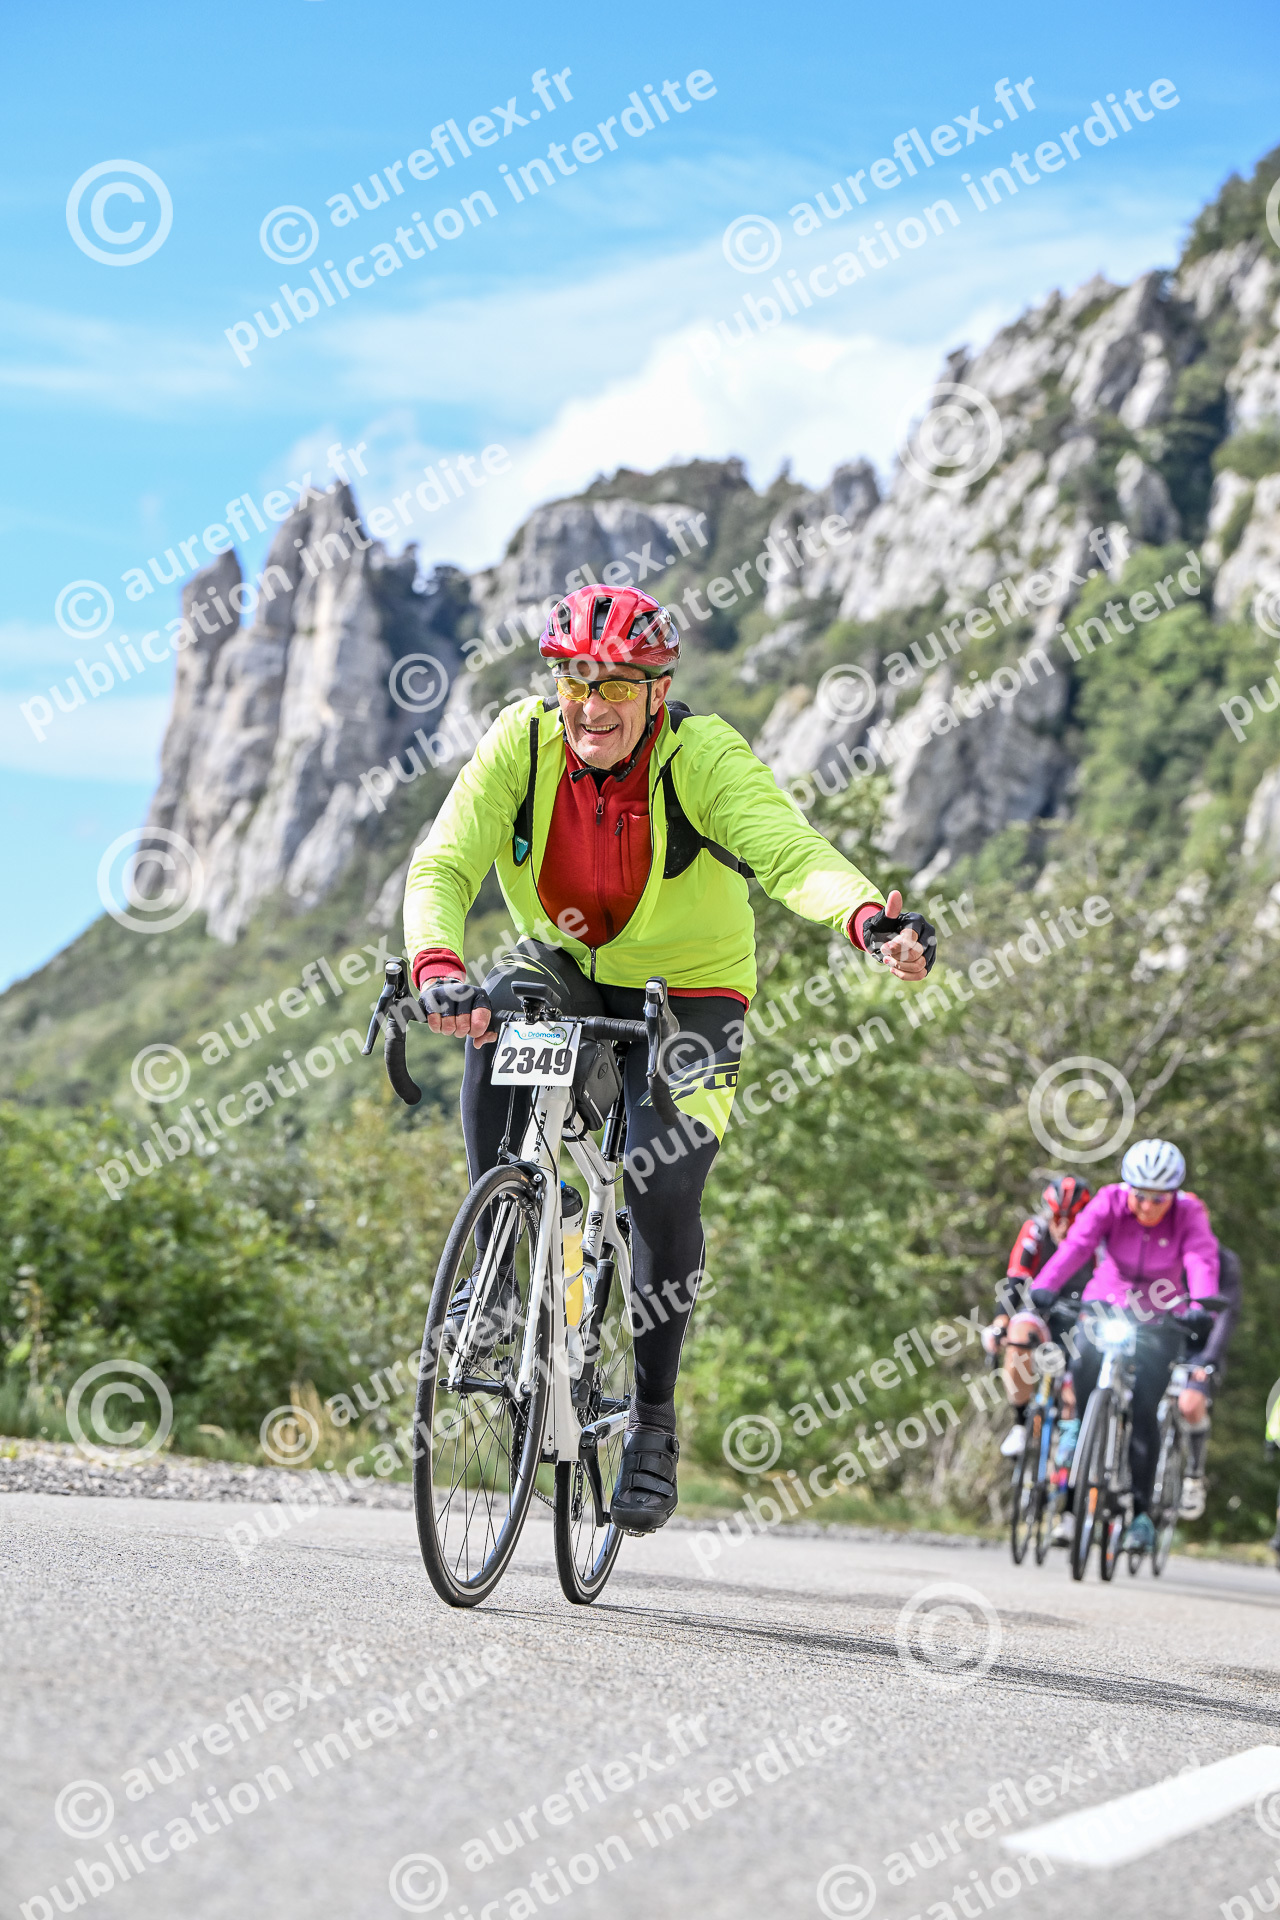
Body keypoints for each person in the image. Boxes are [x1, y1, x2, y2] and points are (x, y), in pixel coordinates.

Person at [403, 584, 936, 1534]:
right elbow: (444, 862)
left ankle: (651, 1421)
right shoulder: (520, 743)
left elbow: (788, 853)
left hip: (689, 992)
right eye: (574, 680)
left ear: (656, 690)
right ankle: (502, 1263)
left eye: (615, 684)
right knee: (496, 1016)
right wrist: (437, 965)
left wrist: (867, 919)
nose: (590, 704)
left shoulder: (701, 757)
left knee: (660, 1179)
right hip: (566, 964)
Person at [1031, 1137, 1221, 1557]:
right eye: (1141, 1195)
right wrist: (1045, 1285)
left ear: (1174, 1194)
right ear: (1128, 1188)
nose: (1148, 1206)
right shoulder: (1109, 1201)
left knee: (1145, 1409)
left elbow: (1201, 1259)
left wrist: (1201, 1304)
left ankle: (1140, 1515)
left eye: (1159, 1198)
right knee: (1083, 1354)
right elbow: (1078, 1245)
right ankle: (1081, 1423)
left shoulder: (1188, 1213)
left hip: (1161, 1312)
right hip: (1108, 1299)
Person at [983, 1175, 1092, 1460]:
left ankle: (1070, 1439)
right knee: (1018, 1337)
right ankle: (1020, 1423)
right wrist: (1000, 1322)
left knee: (1079, 1373)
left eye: (1072, 1220)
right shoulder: (1036, 1229)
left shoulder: (1098, 1237)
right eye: (1057, 1218)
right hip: (1041, 1309)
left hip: (1082, 1313)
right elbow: (1016, 1278)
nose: (1063, 1227)